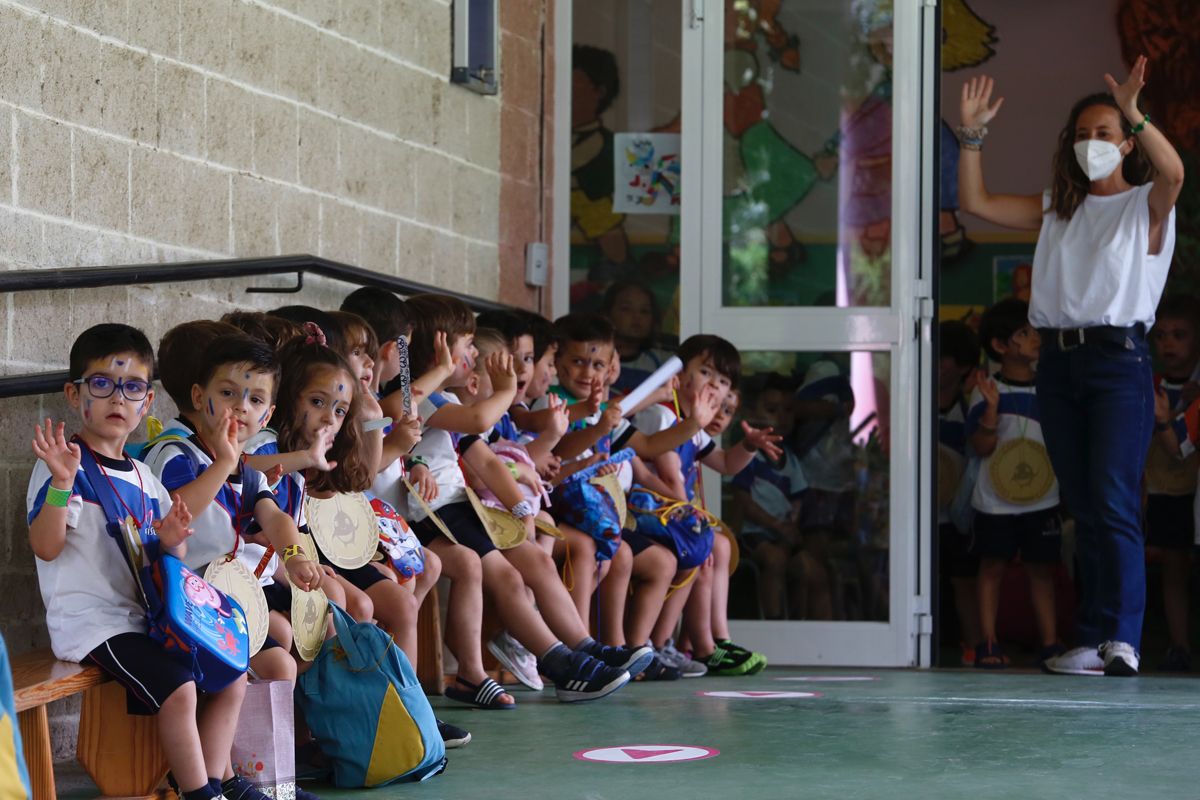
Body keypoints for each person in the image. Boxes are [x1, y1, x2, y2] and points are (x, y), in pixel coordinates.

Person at [958, 57, 1183, 676]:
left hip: (1118, 363)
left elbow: (1175, 170)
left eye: (1104, 133)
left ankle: (1124, 638)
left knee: (1112, 502)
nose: (1090, 144)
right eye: (1082, 134)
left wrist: (1136, 111)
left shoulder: (1145, 205)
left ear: (1126, 142)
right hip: (1058, 365)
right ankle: (1090, 637)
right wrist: (972, 136)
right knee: (1082, 507)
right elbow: (974, 201)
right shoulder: (1058, 208)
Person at [26, 323, 239, 800]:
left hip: (146, 619)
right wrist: (61, 483)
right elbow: (45, 546)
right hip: (93, 624)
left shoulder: (145, 475)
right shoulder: (65, 464)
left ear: (147, 403)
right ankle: (199, 792)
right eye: (101, 384)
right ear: (73, 393)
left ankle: (224, 780)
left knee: (229, 669)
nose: (117, 398)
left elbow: (170, 556)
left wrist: (172, 541)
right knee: (180, 686)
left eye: (133, 387)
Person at [966, 300, 1062, 669]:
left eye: (1036, 330)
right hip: (995, 502)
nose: (1036, 338)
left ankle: (1051, 644)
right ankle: (987, 642)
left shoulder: (1052, 389)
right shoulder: (987, 390)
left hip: (1043, 498)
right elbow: (980, 447)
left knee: (1042, 570)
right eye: (1024, 333)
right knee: (992, 567)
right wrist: (990, 412)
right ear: (1000, 346)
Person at [1146, 295, 1200, 671]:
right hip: (1164, 490)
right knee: (1174, 569)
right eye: (1162, 335)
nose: (1169, 343)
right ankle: (1179, 645)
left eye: (1179, 335)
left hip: (1195, 491)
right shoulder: (1148, 384)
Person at [937, 320, 983, 665]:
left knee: (963, 580)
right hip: (917, 516)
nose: (937, 363)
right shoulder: (910, 406)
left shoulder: (969, 411)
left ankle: (975, 647)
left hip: (955, 517)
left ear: (965, 367)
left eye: (946, 359)